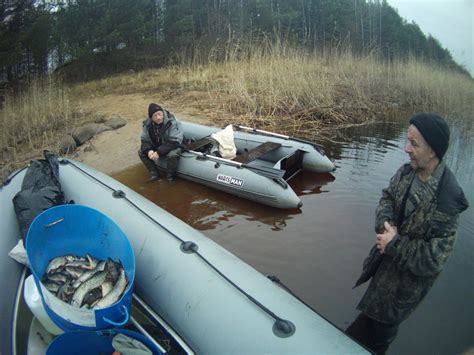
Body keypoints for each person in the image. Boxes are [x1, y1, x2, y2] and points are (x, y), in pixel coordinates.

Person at [347, 113, 469, 354]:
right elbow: (387, 197)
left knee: (380, 335)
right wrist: (385, 225)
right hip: (382, 269)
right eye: (407, 140)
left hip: (401, 291)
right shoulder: (407, 172)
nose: (406, 148)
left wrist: (394, 244)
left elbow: (433, 261)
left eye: (414, 144)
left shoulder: (447, 200)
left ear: (433, 151)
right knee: (364, 322)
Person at [138, 103, 184, 181]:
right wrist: (149, 151)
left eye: (159, 114)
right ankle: (155, 174)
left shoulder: (173, 122)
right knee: (141, 152)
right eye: (155, 116)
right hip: (158, 144)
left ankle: (170, 177)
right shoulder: (147, 124)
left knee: (172, 155)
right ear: (151, 117)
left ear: (162, 112)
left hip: (173, 145)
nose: (158, 117)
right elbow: (144, 139)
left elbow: (175, 141)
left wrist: (159, 152)